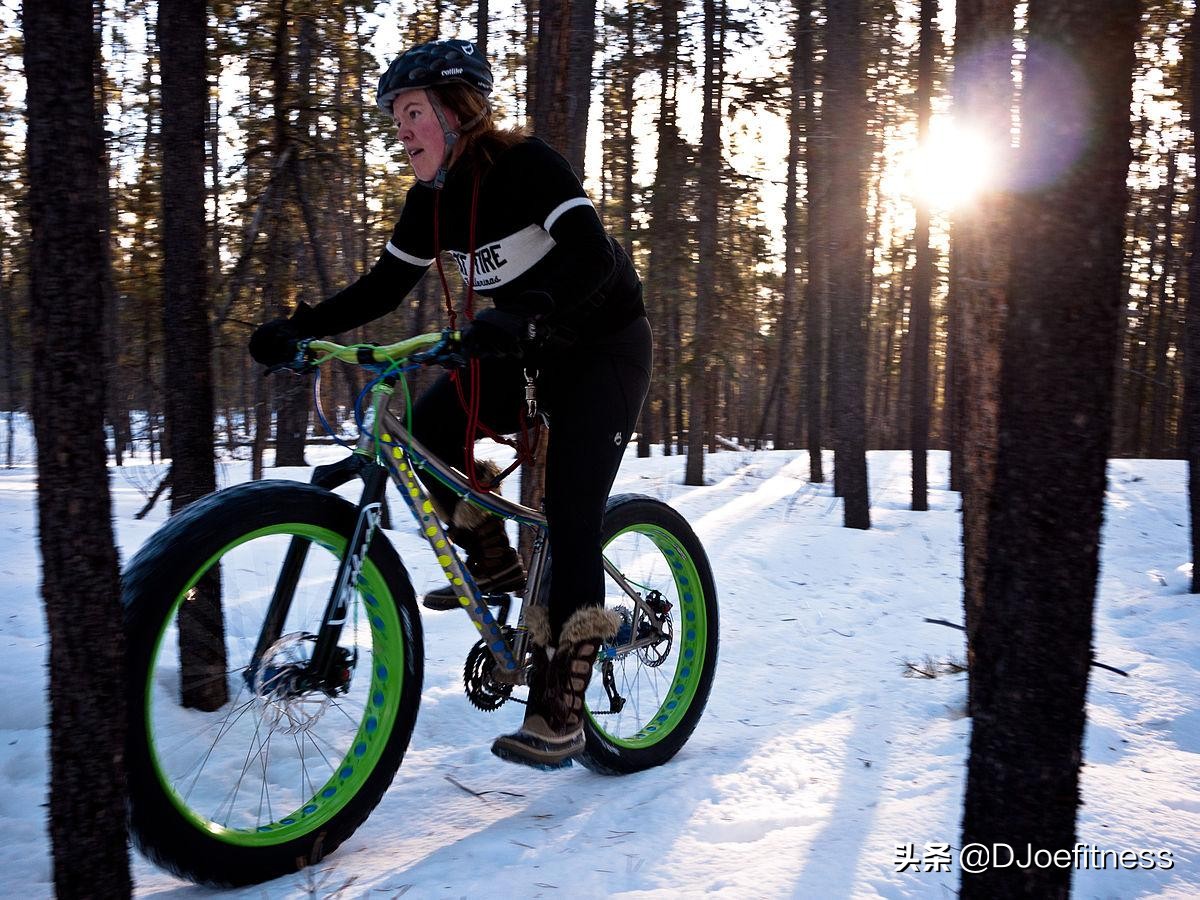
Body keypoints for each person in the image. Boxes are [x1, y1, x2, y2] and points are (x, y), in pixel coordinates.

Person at [249, 38, 652, 769]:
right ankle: (491, 561)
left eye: (410, 112)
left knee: (570, 517)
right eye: (393, 118)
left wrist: (523, 309)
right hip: (523, 348)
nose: (399, 130)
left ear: (456, 109)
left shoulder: (526, 166)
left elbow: (593, 255)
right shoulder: (429, 206)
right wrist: (301, 328)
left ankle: (560, 708)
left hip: (603, 351)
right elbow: (380, 289)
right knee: (427, 426)